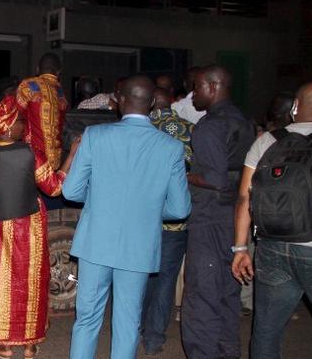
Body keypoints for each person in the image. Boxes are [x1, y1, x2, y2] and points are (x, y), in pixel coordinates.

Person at [62, 75, 191, 359]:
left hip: (96, 241)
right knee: (128, 322)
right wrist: (148, 209)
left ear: (120, 102)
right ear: (154, 104)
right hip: (139, 244)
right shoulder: (171, 147)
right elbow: (180, 209)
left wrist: (100, 200)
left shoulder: (96, 136)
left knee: (86, 320)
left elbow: (71, 190)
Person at [0, 95, 78, 359]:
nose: (24, 126)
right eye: (20, 122)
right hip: (30, 226)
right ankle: (29, 346)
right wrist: (71, 156)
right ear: (8, 126)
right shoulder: (31, 152)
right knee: (31, 282)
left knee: (1, 283)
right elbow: (54, 187)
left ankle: (3, 346)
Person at [231, 82, 312, 359]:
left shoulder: (267, 141)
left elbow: (244, 198)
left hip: (271, 247)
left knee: (266, 331)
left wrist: (240, 249)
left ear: (295, 108)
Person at [181, 65, 255, 359]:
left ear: (213, 87)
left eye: (197, 87)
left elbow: (214, 178)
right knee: (227, 293)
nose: (193, 93)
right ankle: (228, 352)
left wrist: (183, 174)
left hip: (210, 219)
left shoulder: (211, 125)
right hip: (236, 219)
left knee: (201, 298)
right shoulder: (245, 121)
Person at [141, 87, 194, 355]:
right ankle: (153, 338)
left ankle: (137, 326)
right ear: (171, 103)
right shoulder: (187, 128)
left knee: (142, 274)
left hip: (142, 218)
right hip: (174, 221)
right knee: (165, 279)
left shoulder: (142, 129)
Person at [16, 52, 68, 171]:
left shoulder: (27, 86)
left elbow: (16, 118)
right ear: (58, 72)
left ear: (37, 69)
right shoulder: (60, 92)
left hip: (32, 160)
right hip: (56, 162)